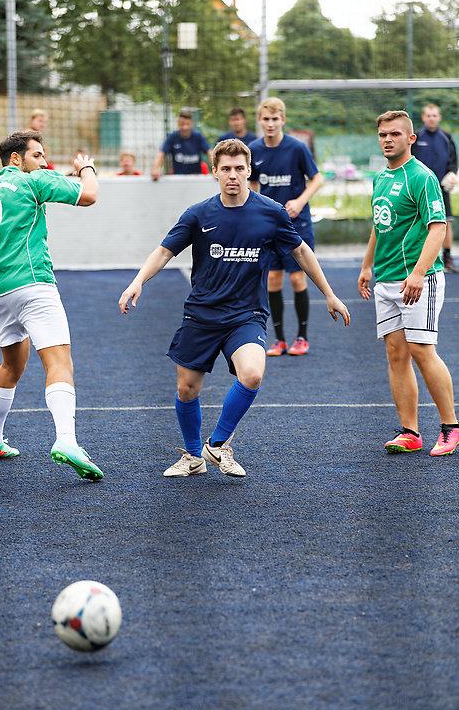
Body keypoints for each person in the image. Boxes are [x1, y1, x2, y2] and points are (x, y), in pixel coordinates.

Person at [119, 139, 350, 477]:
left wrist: (329, 294)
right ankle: (193, 457)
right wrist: (138, 281)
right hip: (202, 314)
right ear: (214, 172)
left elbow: (300, 251)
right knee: (186, 388)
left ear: (249, 170)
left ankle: (217, 444)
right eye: (225, 169)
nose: (233, 175)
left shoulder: (271, 212)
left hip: (246, 314)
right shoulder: (198, 214)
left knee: (253, 373)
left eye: (239, 168)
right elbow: (165, 251)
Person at [0, 131, 104, 480]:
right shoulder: (33, 182)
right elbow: (89, 195)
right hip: (34, 285)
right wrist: (86, 168)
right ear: (15, 159)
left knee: (12, 364)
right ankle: (67, 440)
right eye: (37, 155)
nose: (44, 162)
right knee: (59, 362)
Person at [358, 110, 459, 456]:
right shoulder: (380, 178)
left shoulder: (422, 176)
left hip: (419, 280)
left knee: (421, 350)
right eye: (383, 134)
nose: (388, 139)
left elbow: (438, 228)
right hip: (386, 280)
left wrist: (417, 273)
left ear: (411, 138)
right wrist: (367, 265)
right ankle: (410, 432)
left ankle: (451, 427)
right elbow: (378, 225)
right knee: (396, 354)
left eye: (395, 134)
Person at [249, 97, 324, 357]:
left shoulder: (297, 148)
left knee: (297, 277)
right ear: (259, 121)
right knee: (272, 279)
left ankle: (302, 337)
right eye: (266, 119)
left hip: (297, 224)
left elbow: (317, 178)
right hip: (268, 225)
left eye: (275, 119)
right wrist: (254, 208)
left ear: (282, 120)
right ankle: (279, 339)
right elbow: (253, 183)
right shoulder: (253, 149)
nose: (270, 124)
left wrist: (300, 201)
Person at [411, 104, 457, 272]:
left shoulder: (446, 137)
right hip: (420, 188)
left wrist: (452, 174)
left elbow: (453, 161)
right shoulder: (416, 136)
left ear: (439, 117)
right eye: (428, 115)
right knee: (419, 223)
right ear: (424, 117)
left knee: (445, 222)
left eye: (434, 115)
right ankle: (419, 259)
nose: (431, 118)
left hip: (441, 188)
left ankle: (447, 258)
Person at [152, 110, 212, 180]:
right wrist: (155, 170)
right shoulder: (172, 137)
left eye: (187, 124)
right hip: (178, 177)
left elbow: (209, 152)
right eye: (182, 124)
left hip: (196, 177)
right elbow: (161, 153)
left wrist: (216, 169)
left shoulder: (198, 136)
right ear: (178, 124)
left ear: (192, 124)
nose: (185, 127)